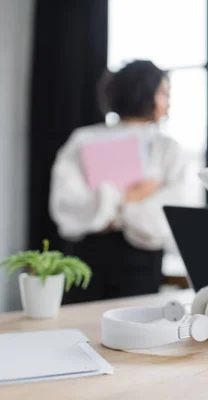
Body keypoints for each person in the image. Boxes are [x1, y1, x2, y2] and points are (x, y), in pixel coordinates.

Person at [50, 60, 189, 303]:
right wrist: (130, 196)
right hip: (85, 258)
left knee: (134, 332)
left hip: (141, 261)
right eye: (164, 93)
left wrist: (105, 208)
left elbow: (168, 215)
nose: (169, 103)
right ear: (144, 93)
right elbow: (66, 204)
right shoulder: (83, 140)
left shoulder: (167, 148)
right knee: (81, 330)